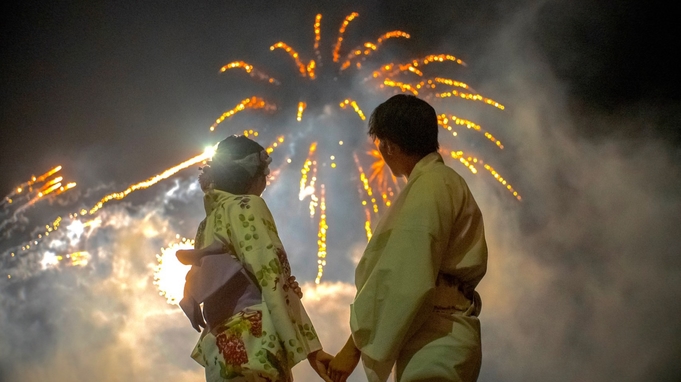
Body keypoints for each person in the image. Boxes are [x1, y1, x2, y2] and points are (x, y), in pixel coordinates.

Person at [328, 95, 488, 382]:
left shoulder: (431, 184)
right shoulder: (444, 182)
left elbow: (404, 274)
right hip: (444, 331)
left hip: (438, 335)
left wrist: (353, 347)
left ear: (388, 145)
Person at [175, 135, 333, 382]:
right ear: (254, 176)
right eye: (265, 173)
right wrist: (313, 350)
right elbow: (271, 277)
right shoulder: (249, 206)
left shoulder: (207, 223)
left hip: (220, 351)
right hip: (254, 342)